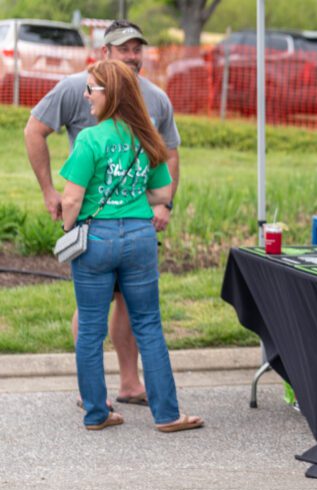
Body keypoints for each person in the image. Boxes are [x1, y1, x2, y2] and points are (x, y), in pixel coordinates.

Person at [24, 20, 180, 407]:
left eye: (137, 48)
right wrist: (49, 192)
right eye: (123, 48)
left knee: (118, 309)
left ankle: (124, 387)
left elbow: (170, 155)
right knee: (112, 315)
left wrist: (164, 204)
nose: (132, 56)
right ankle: (96, 394)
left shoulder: (154, 100)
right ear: (105, 53)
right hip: (119, 229)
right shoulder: (75, 90)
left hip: (116, 226)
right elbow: (34, 129)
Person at [59, 59, 202, 433]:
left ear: (111, 94)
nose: (86, 95)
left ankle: (96, 414)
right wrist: (133, 196)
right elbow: (162, 191)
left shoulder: (91, 139)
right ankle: (168, 415)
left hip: (97, 239)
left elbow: (71, 200)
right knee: (149, 325)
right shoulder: (146, 138)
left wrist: (68, 231)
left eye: (92, 88)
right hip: (140, 236)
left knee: (90, 329)